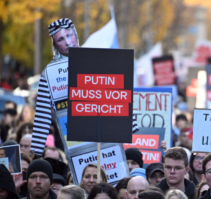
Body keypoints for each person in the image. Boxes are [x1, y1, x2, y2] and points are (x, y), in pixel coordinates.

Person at [31, 18, 138, 156]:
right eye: (60, 39)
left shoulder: (97, 59)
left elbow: (118, 92)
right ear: (55, 45)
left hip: (105, 139)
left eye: (69, 35)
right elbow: (42, 115)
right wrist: (36, 151)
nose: (68, 42)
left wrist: (130, 124)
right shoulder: (49, 73)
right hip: (75, 146)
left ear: (75, 35)